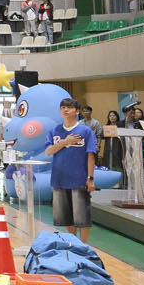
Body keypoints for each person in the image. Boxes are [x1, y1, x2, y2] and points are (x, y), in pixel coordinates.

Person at [46, 98, 99, 242]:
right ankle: (73, 243)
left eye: (69, 107)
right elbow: (48, 151)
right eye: (63, 107)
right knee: (66, 218)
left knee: (82, 218)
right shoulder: (54, 131)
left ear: (77, 111)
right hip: (59, 179)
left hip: (79, 179)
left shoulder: (85, 131)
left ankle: (84, 245)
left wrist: (90, 178)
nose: (65, 110)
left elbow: (91, 155)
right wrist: (64, 142)